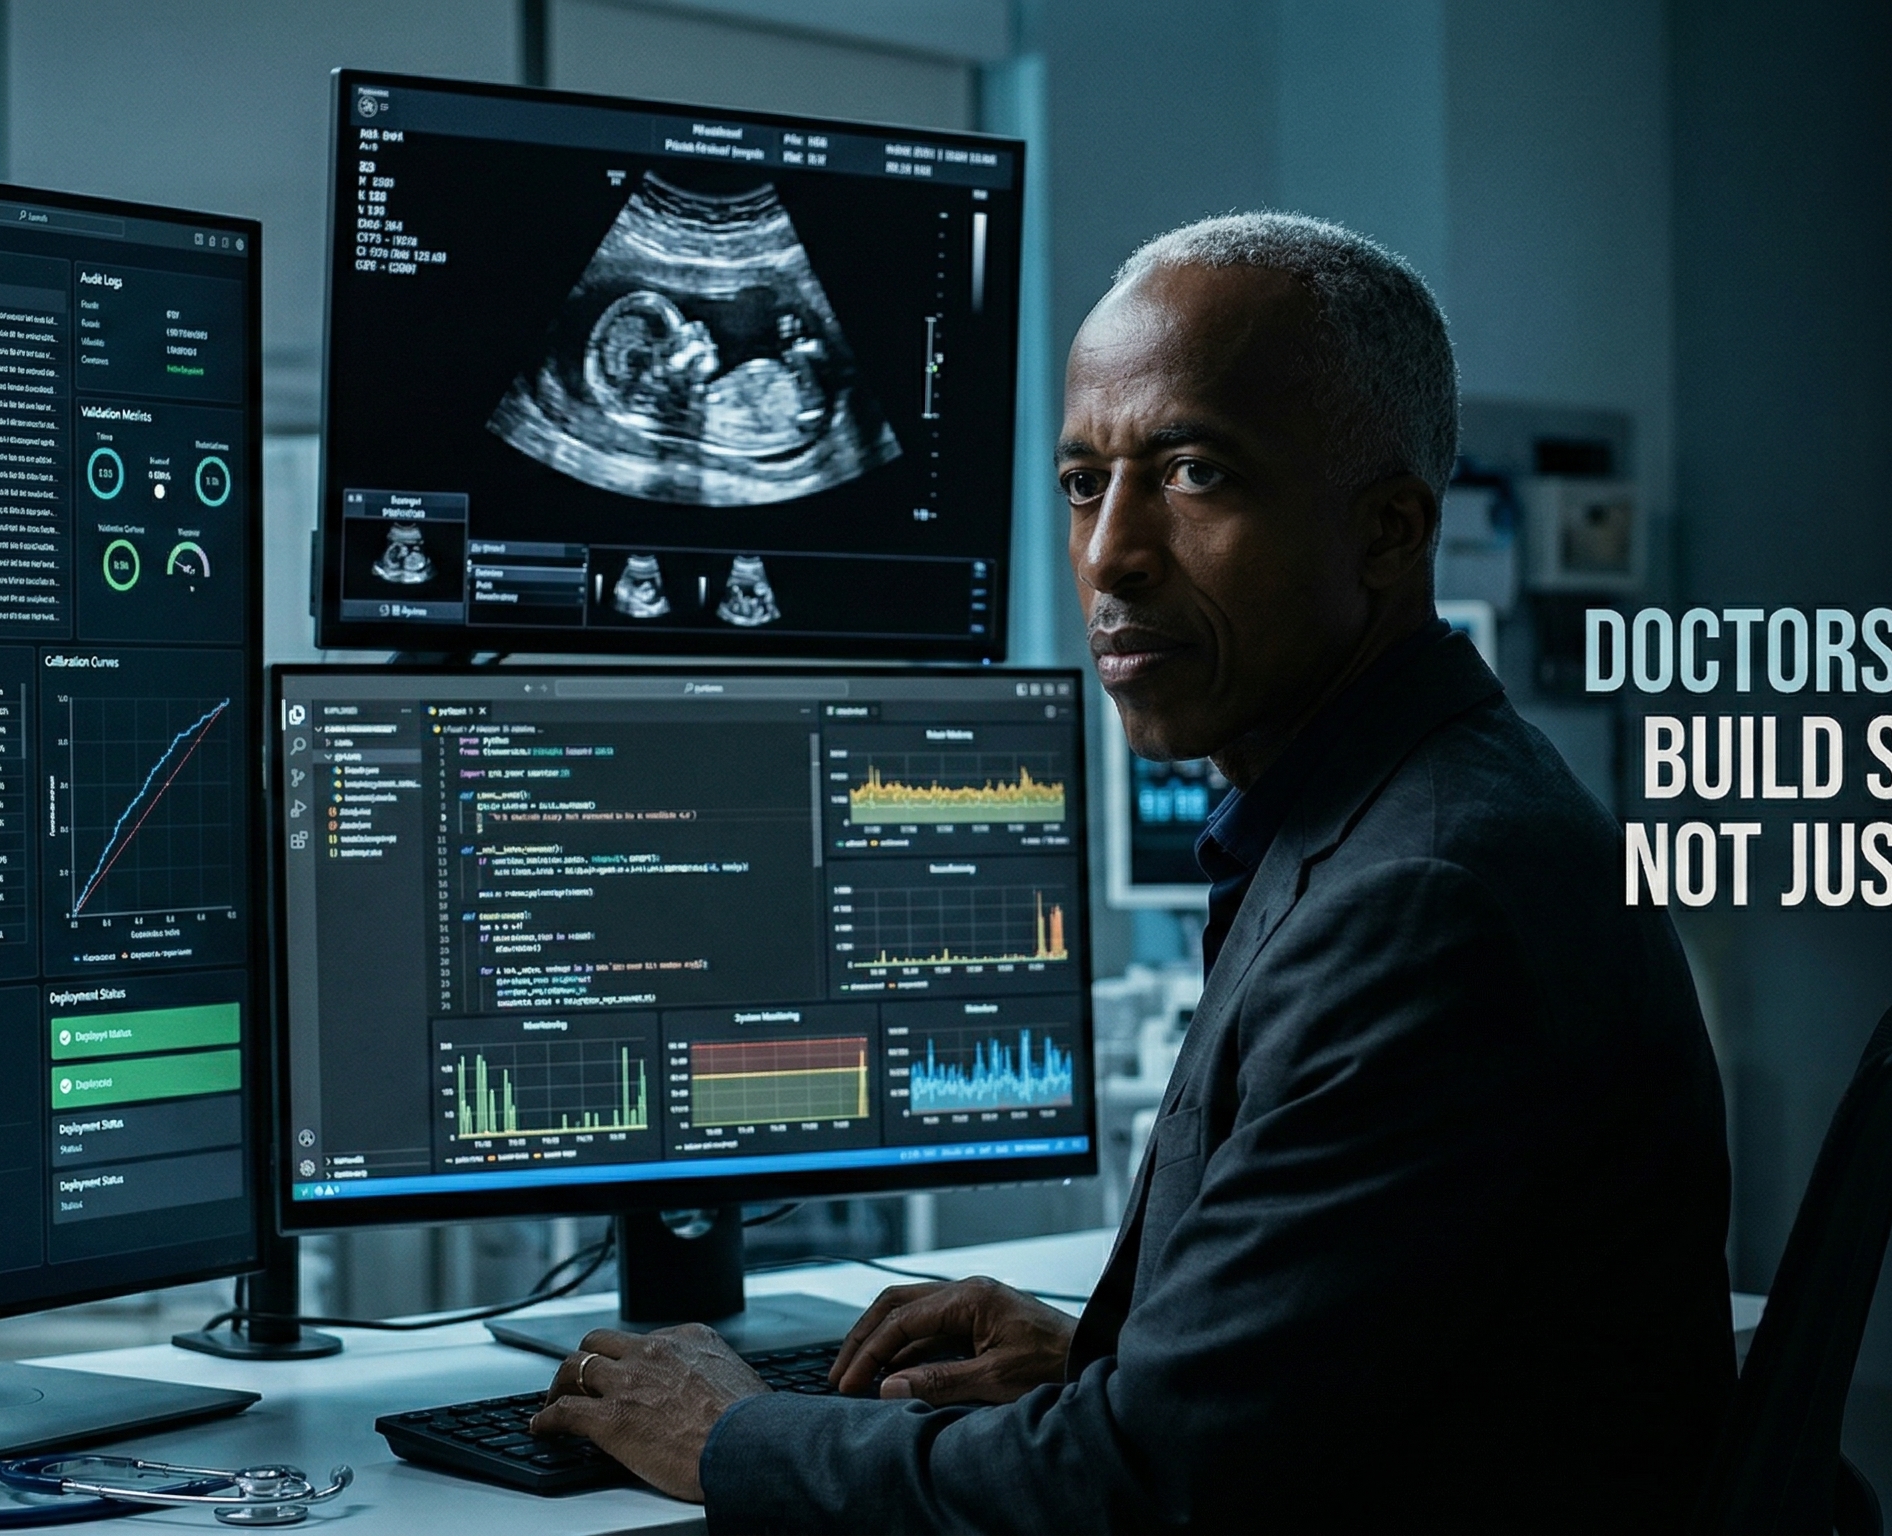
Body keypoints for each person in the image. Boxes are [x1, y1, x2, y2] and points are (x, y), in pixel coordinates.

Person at [530, 213, 1736, 1532]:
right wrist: (1108, 1353)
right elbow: (1406, 1357)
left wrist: (730, 1434)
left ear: (1390, 533)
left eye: (1195, 472)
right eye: (1082, 483)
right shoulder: (1389, 817)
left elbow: (1136, 1495)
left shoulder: (1424, 899)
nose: (1110, 554)